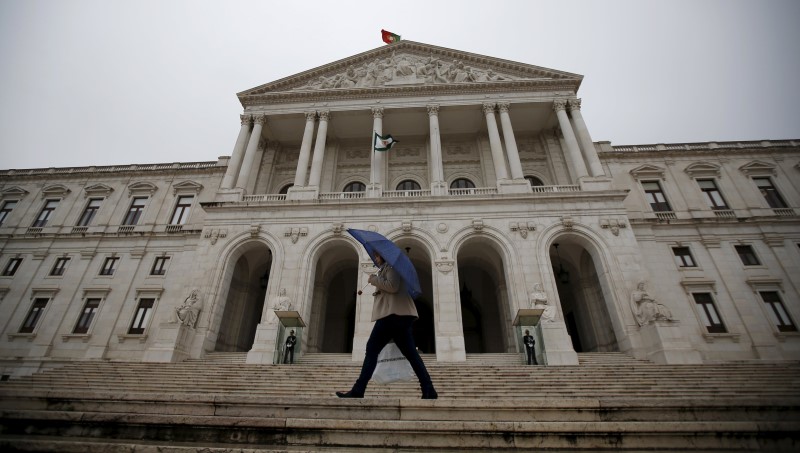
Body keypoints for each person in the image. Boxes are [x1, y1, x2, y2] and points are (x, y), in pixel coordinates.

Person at [336, 250, 437, 399]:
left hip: (392, 316)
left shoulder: (392, 267)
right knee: (411, 355)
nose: (376, 258)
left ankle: (358, 390)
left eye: (377, 256)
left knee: (371, 350)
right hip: (397, 316)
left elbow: (392, 286)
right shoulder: (386, 268)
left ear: (384, 255)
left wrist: (374, 280)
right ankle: (429, 390)